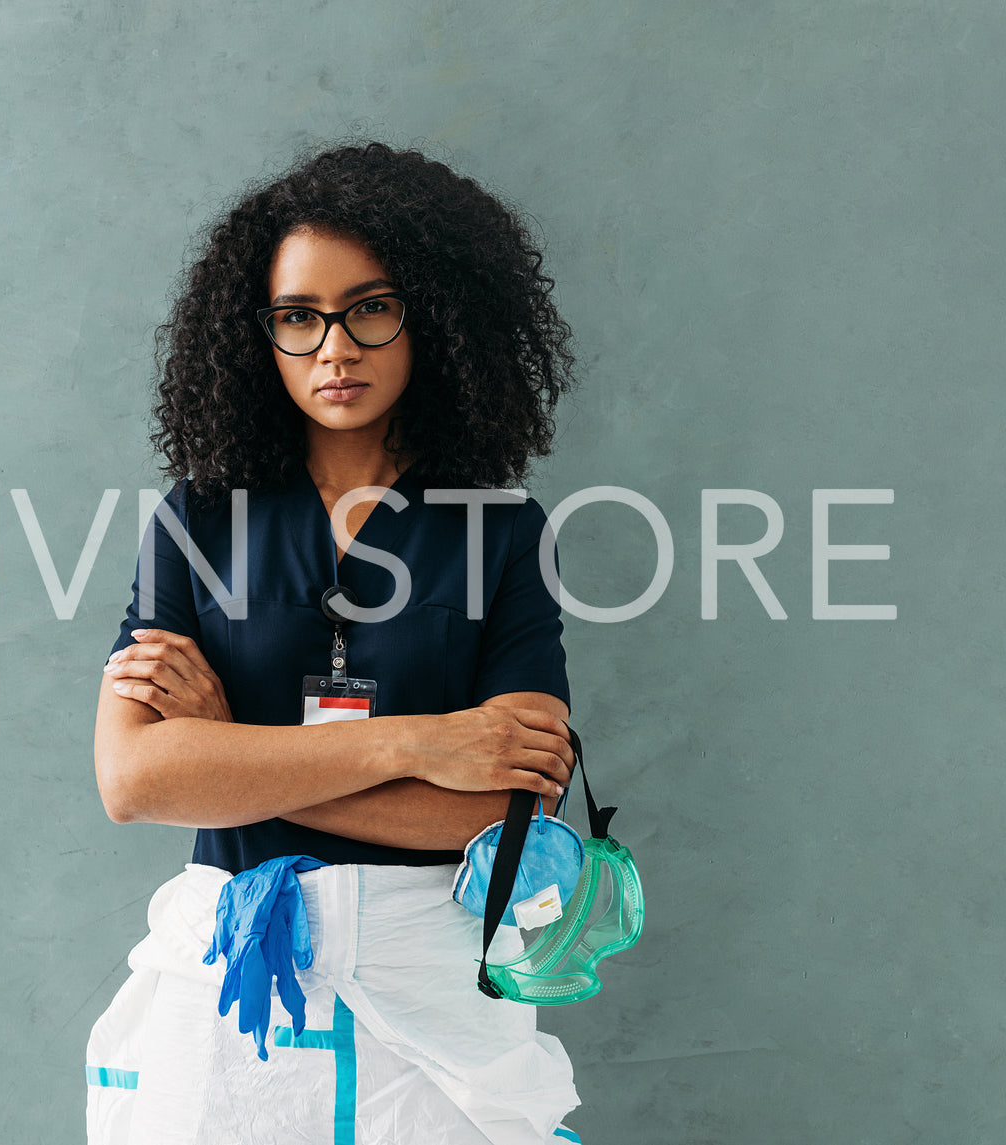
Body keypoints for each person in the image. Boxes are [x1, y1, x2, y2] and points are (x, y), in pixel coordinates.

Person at [88, 140, 585, 1145]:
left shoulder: (497, 529)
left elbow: (508, 817)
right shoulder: (198, 518)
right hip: (232, 994)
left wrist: (231, 751)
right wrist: (415, 745)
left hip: (428, 991)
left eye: (369, 307)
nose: (334, 348)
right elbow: (135, 779)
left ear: (431, 315)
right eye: (297, 317)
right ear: (259, 336)